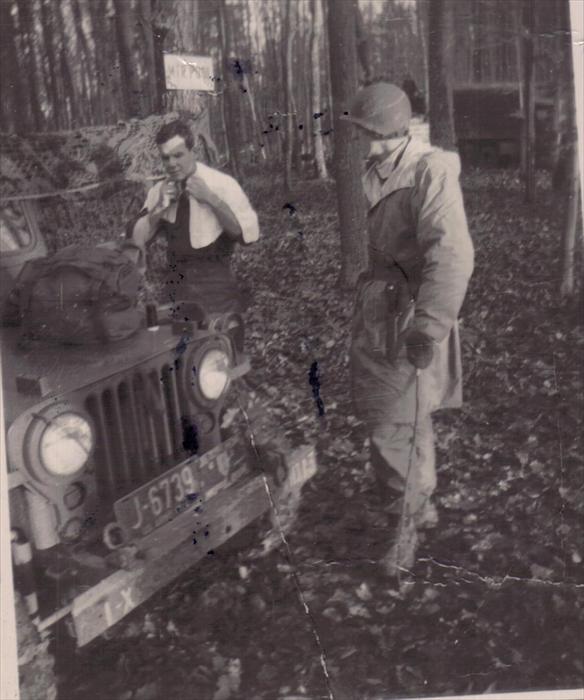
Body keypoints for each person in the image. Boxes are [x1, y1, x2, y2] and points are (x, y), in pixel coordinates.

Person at [342, 83, 474, 576]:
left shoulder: (428, 169)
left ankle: (405, 530)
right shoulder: (379, 168)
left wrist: (429, 325)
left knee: (390, 423)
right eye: (360, 132)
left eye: (369, 132)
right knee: (407, 416)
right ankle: (419, 505)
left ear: (391, 130)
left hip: (410, 316)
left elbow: (453, 255)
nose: (362, 140)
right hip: (383, 311)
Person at [128, 119, 259, 317]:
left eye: (178, 155)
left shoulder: (222, 184)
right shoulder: (159, 190)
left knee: (216, 347)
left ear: (193, 152)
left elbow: (247, 236)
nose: (172, 164)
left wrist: (211, 200)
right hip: (175, 292)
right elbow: (137, 239)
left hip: (217, 293)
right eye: (166, 158)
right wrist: (160, 208)